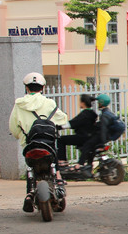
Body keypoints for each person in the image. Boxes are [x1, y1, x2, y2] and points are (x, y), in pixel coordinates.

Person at [9, 72, 68, 211]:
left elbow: (13, 128)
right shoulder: (49, 103)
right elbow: (63, 119)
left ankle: (30, 193)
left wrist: (22, 137)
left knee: (30, 168)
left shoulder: (19, 105)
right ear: (42, 88)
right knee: (54, 160)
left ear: (26, 88)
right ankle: (58, 181)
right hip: (48, 146)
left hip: (29, 147)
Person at [57, 94, 98, 168]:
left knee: (60, 140)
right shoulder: (93, 113)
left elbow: (72, 123)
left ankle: (62, 162)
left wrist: (59, 126)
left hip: (82, 137)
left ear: (83, 103)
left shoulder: (84, 114)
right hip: (90, 136)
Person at [75, 93, 114, 170]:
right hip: (102, 136)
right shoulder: (106, 112)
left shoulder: (104, 114)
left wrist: (102, 142)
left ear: (101, 103)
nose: (97, 103)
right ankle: (89, 167)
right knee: (90, 149)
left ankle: (80, 164)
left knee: (87, 145)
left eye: (99, 102)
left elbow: (103, 128)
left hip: (100, 136)